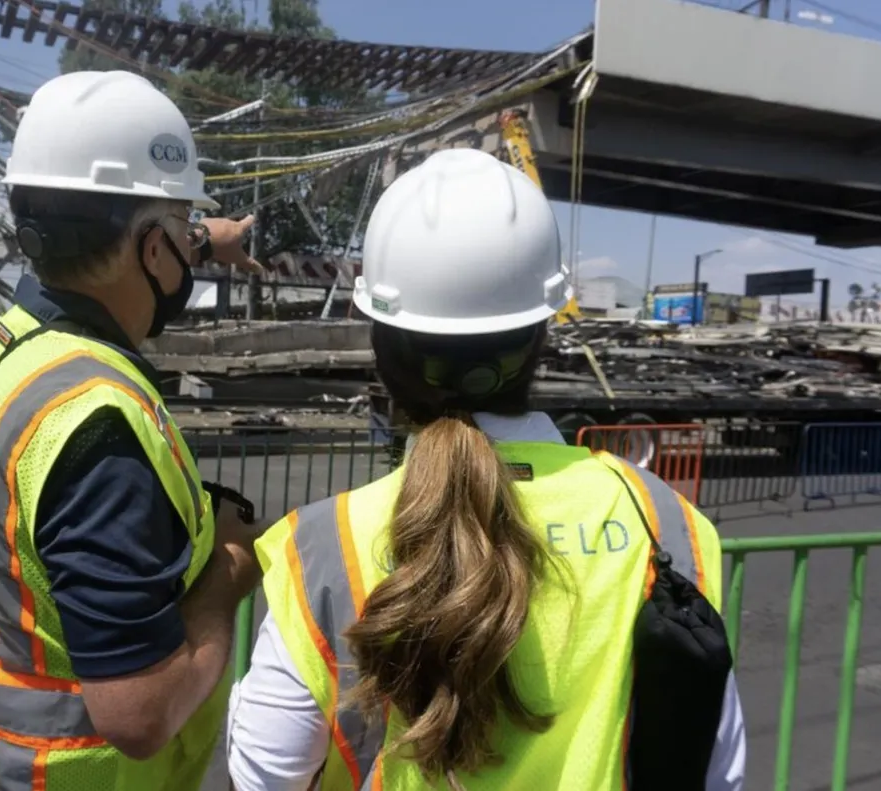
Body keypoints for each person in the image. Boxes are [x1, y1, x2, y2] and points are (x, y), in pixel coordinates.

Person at [226, 149, 746, 790]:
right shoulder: (667, 525)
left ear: (382, 344)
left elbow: (265, 776)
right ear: (541, 336)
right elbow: (716, 769)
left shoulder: (329, 547)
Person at [0, 70, 263, 790]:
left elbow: (140, 239)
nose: (188, 251)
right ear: (150, 248)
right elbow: (139, 714)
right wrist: (231, 570)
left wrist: (205, 238)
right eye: (181, 233)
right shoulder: (97, 426)